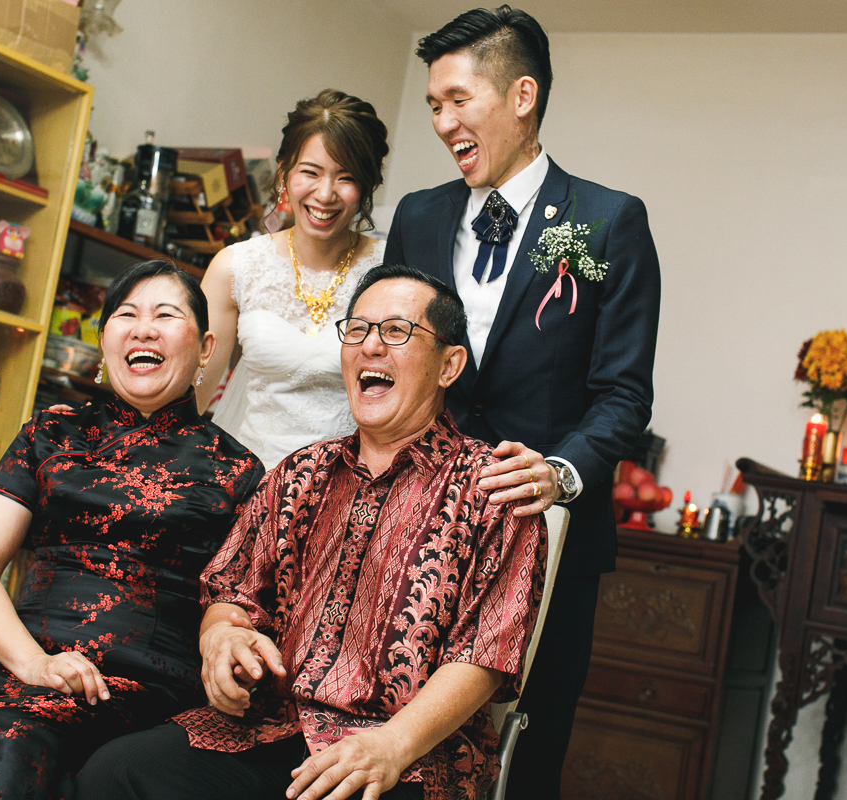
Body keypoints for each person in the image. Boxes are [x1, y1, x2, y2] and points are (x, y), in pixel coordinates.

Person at [77, 264, 547, 800]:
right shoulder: (301, 474)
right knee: (114, 774)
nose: (371, 346)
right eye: (358, 329)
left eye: (396, 331)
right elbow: (231, 592)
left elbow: (484, 658)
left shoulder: (495, 490)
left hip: (410, 753)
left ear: (449, 365)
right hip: (272, 729)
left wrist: (392, 745)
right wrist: (223, 637)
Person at [382, 7, 661, 795]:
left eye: (457, 100)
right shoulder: (419, 215)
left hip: (547, 536)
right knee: (389, 734)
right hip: (417, 525)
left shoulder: (608, 223)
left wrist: (560, 475)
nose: (442, 122)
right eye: (433, 104)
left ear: (522, 95)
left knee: (518, 758)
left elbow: (622, 394)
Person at [0, 260, 264, 800]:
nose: (144, 328)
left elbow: (241, 601)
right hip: (23, 663)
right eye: (126, 315)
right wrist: (33, 663)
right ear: (105, 341)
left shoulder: (237, 469)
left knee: (14, 740)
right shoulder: (51, 433)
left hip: (138, 685)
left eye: (165, 315)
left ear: (206, 347)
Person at [195, 90, 389, 467]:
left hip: (346, 490)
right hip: (248, 481)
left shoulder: (390, 273)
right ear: (284, 173)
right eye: (310, 173)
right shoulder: (235, 267)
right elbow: (191, 397)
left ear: (367, 187)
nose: (325, 194)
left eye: (346, 177)